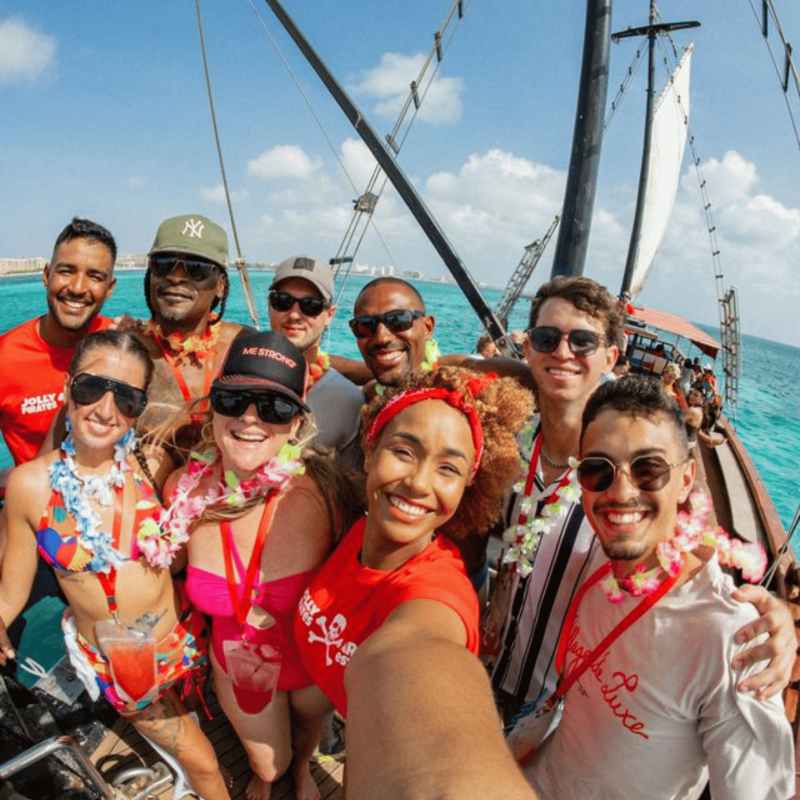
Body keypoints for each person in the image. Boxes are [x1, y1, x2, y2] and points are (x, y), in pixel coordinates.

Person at [485, 275, 795, 722]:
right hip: (495, 671)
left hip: (560, 708)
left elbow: (703, 559)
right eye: (547, 338)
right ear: (529, 347)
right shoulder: (519, 443)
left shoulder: (632, 485)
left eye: (583, 341)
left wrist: (776, 619)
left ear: (611, 356)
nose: (563, 352)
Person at [512, 376, 794, 800]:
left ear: (686, 480)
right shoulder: (596, 558)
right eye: (598, 470)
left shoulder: (732, 637)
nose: (622, 492)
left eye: (649, 469)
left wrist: (780, 620)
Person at [0, 330, 230, 800]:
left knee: (198, 735)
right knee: (206, 763)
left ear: (140, 406)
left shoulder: (153, 462)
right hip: (124, 665)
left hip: (183, 640)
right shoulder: (29, 486)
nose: (105, 410)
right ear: (67, 388)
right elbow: (10, 590)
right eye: (91, 388)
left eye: (125, 397)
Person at [293, 367, 537, 799]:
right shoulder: (353, 525)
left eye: (448, 469)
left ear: (467, 488)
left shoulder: (437, 595)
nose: (419, 483)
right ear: (370, 450)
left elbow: (422, 664)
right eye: (404, 451)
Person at [164, 331, 358, 800]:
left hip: (313, 664)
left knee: (306, 734)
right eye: (235, 400)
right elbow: (163, 574)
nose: (250, 418)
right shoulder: (182, 493)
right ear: (213, 408)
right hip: (239, 665)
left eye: (274, 408)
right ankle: (277, 773)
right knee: (269, 763)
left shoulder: (328, 494)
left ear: (296, 424)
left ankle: (305, 765)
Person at [132, 214, 246, 470]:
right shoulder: (126, 350)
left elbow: (309, 361)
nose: (176, 277)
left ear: (220, 286)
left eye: (197, 269)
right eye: (163, 264)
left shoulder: (243, 343)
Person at [0, 218, 116, 468]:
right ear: (46, 275)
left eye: (95, 276)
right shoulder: (5, 358)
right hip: (38, 501)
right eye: (66, 271)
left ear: (110, 288)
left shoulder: (122, 345)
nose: (77, 287)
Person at [267, 256, 363, 468]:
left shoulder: (349, 400)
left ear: (329, 315)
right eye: (282, 301)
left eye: (310, 306)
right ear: (269, 306)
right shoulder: (236, 374)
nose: (294, 315)